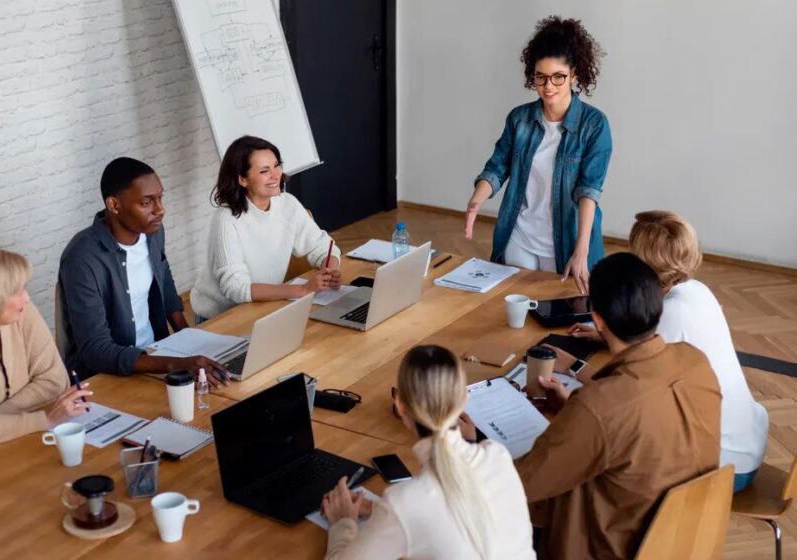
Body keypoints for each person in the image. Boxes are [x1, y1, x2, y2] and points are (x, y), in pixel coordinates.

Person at [515, 252, 721, 559]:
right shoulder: (695, 361)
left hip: (611, 547)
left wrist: (467, 443)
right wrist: (574, 413)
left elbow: (520, 485)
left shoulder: (599, 407)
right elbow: (640, 410)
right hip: (684, 537)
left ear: (597, 319)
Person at [569, 210, 769, 491]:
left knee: (609, 455)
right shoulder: (696, 290)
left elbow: (621, 391)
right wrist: (606, 335)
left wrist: (571, 367)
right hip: (745, 441)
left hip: (726, 466)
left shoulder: (671, 313)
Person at [320, 345, 536, 560]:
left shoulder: (405, 503)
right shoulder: (497, 455)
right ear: (464, 399)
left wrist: (343, 522)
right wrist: (381, 512)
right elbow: (455, 509)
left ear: (400, 406)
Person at [466, 16, 612, 294]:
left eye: (559, 77)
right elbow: (497, 168)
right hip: (519, 235)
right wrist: (476, 201)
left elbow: (589, 192)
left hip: (567, 241)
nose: (548, 86)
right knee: (511, 309)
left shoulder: (594, 125)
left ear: (575, 75)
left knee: (559, 316)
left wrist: (581, 251)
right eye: (541, 77)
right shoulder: (519, 119)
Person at [59, 157, 229, 385]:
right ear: (114, 205)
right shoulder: (82, 258)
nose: (160, 210)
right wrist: (176, 364)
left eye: (160, 198)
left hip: (158, 353)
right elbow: (95, 350)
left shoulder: (153, 233)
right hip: (109, 376)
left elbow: (165, 283)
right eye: (147, 203)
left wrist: (190, 342)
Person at [0, 247, 92, 448]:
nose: (27, 298)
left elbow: (55, 381)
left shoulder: (21, 312)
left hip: (15, 442)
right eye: (17, 291)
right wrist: (44, 419)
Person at [190, 136, 341, 321]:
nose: (276, 175)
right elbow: (236, 288)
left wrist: (331, 270)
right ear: (242, 179)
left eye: (277, 165)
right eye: (264, 171)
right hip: (221, 318)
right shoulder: (227, 219)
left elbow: (322, 246)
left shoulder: (287, 204)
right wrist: (303, 289)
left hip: (264, 307)